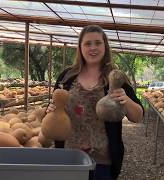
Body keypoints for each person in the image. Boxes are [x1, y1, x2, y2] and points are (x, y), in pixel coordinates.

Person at [46, 25, 144, 180]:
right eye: (87, 43)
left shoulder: (116, 77)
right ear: (80, 47)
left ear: (105, 46)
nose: (93, 48)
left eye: (98, 43)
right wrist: (51, 109)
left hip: (103, 160)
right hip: (69, 157)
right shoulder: (66, 77)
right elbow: (54, 105)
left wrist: (126, 101)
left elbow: (137, 117)